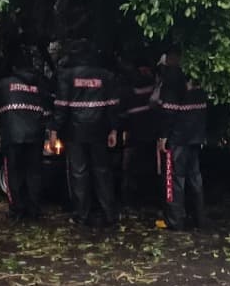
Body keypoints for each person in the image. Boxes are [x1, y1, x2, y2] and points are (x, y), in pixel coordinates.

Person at [50, 40, 120, 228]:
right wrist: (114, 129)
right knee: (102, 171)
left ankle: (82, 215)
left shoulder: (67, 76)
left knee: (79, 173)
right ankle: (109, 214)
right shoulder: (105, 76)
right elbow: (113, 105)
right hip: (100, 130)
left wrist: (54, 130)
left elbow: (61, 107)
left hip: (75, 131)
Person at [0, 48, 52, 220]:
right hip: (35, 137)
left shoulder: (4, 85)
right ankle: (34, 210)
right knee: (34, 173)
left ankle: (17, 211)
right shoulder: (39, 86)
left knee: (13, 173)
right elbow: (47, 113)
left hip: (12, 135)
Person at [158, 46, 208, 230]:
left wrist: (163, 136)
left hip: (177, 137)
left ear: (172, 58)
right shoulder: (198, 76)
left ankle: (175, 220)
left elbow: (168, 111)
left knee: (174, 178)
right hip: (196, 136)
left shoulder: (171, 78)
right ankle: (199, 219)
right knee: (195, 177)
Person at [119, 53, 159, 213]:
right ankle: (142, 201)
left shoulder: (129, 88)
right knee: (144, 171)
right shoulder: (153, 86)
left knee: (132, 171)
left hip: (136, 136)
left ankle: (131, 202)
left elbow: (123, 113)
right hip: (147, 136)